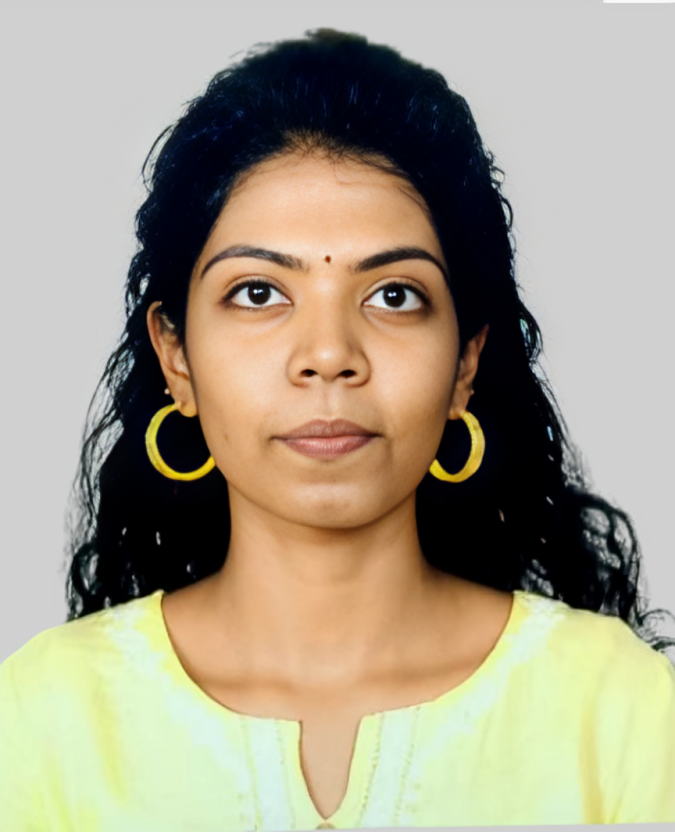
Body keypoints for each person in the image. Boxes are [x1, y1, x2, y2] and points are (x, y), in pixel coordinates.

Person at [1, 28, 673, 831]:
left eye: (393, 295)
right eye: (258, 293)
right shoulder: (40, 718)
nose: (328, 355)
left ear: (464, 362)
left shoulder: (621, 711)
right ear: (175, 357)